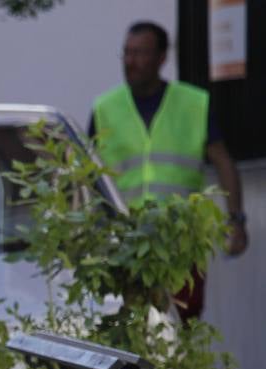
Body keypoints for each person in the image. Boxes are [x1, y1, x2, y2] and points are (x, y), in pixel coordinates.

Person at [90, 20, 248, 321]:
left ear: (162, 58)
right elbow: (88, 176)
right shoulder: (105, 108)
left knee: (184, 325)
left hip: (181, 242)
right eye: (127, 53)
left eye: (140, 53)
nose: (131, 61)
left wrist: (236, 220)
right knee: (131, 328)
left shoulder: (193, 104)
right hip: (126, 245)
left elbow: (223, 162)